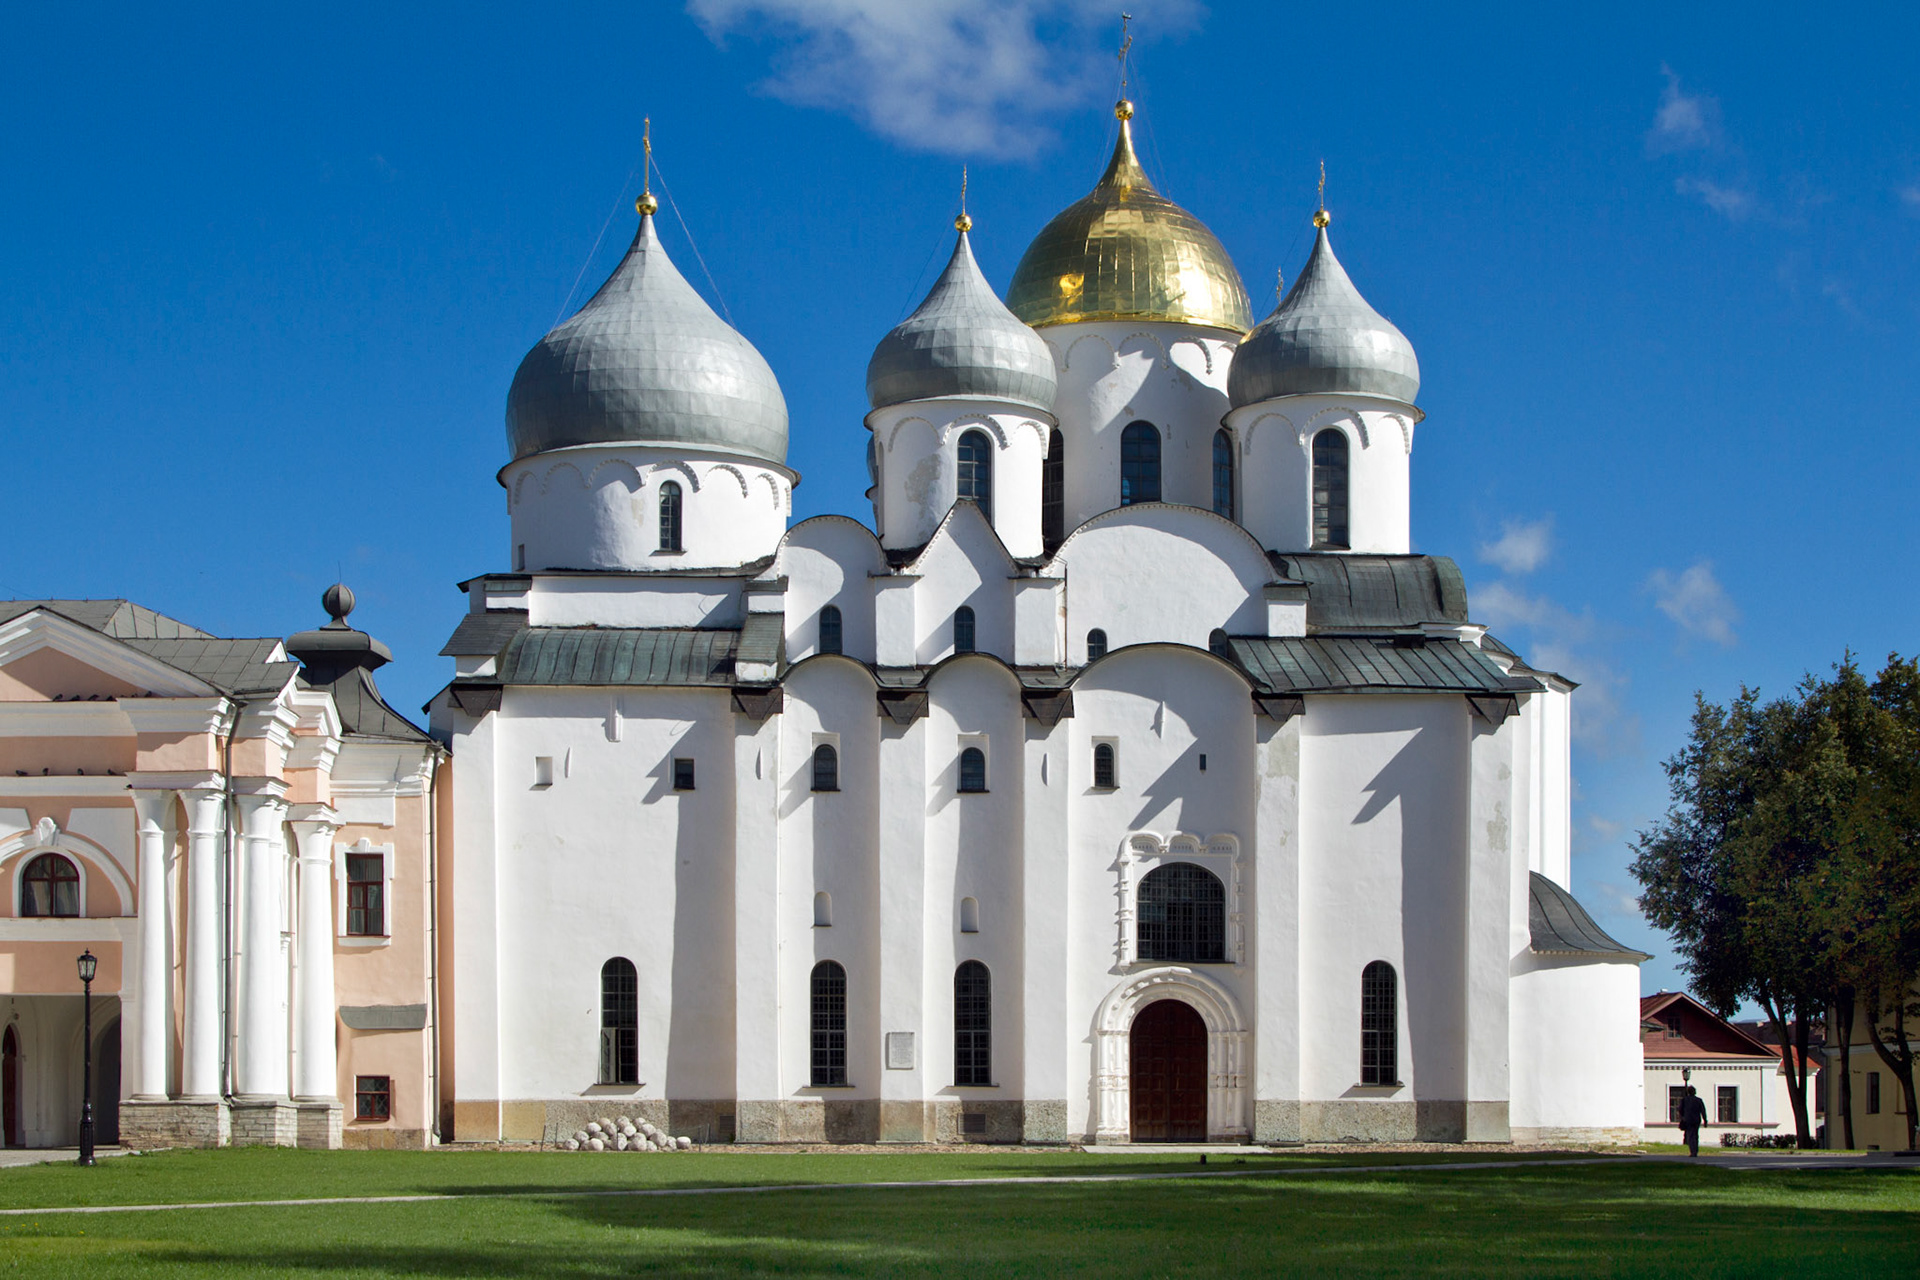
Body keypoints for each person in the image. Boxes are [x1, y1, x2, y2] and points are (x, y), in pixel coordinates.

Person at [1678, 1085, 1708, 1156]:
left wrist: (1682, 1117)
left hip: (1688, 1120)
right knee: (1695, 1135)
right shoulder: (1698, 1100)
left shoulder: (1684, 1100)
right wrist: (1705, 1120)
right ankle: (1695, 1151)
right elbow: (1703, 1111)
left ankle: (1692, 1151)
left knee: (1690, 1136)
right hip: (1696, 1120)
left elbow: (1680, 1110)